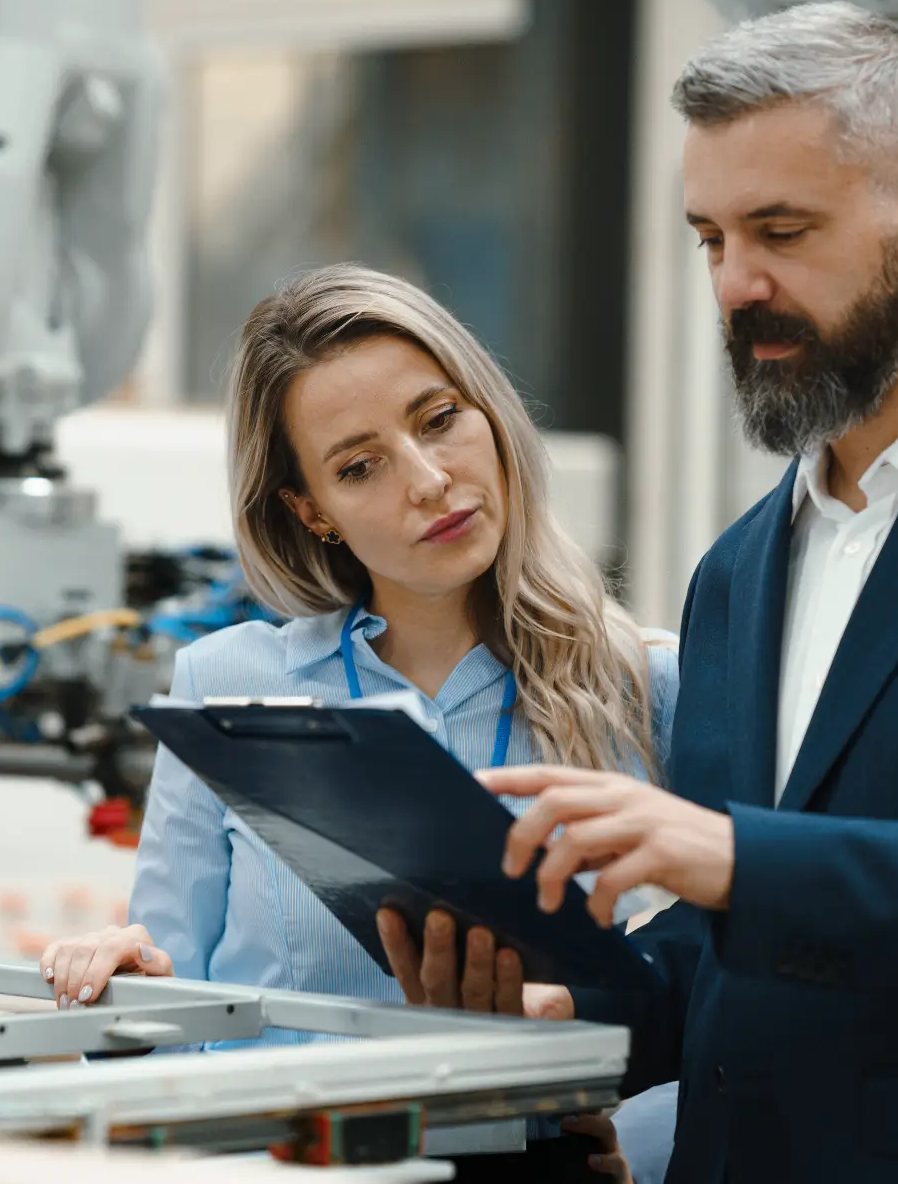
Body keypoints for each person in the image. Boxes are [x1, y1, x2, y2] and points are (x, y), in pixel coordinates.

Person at [396, 1, 898, 1184]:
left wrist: (737, 857)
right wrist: (552, 1016)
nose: (735, 284)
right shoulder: (737, 567)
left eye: (779, 230)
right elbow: (729, 953)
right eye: (709, 239)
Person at [39, 262, 680, 1182]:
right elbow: (166, 1040)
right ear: (312, 510)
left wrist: (641, 1148)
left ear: (489, 414)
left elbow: (726, 996)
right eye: (359, 466)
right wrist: (117, 990)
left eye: (439, 419)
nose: (429, 481)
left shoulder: (642, 685)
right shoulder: (226, 687)